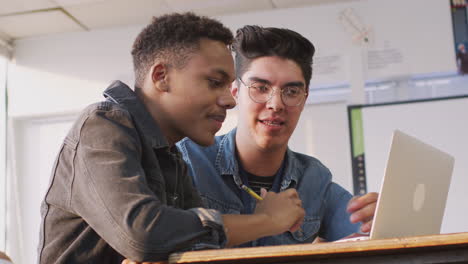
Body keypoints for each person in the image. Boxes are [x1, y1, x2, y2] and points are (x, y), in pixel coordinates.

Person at [37, 14, 305, 263]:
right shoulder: (101, 126)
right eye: (214, 82)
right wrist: (267, 220)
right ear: (161, 77)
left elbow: (199, 247)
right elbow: (143, 234)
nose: (229, 100)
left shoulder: (171, 155)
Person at [177, 25, 378, 246]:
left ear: (304, 98)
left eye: (291, 91)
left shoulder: (314, 178)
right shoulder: (186, 162)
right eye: (261, 88)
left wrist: (380, 220)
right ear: (235, 91)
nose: (276, 104)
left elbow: (369, 236)